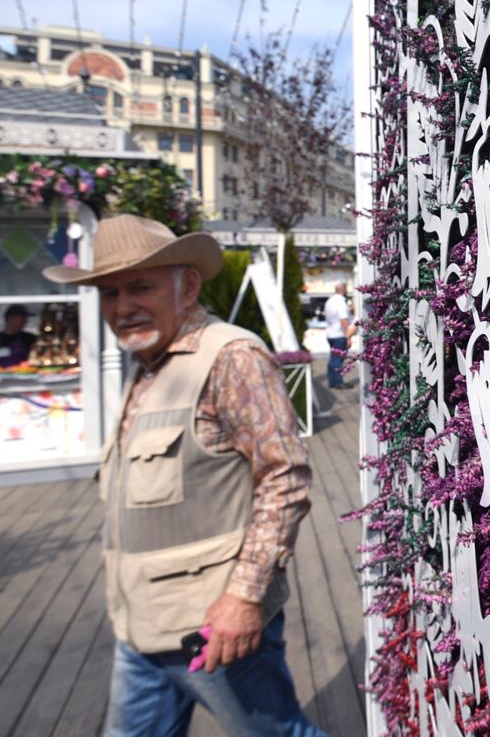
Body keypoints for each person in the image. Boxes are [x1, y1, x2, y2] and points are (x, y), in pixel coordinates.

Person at [44, 214, 325, 737]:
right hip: (141, 629)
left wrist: (243, 598)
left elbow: (284, 477)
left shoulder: (230, 357)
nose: (123, 307)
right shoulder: (150, 363)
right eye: (109, 293)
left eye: (140, 287)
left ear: (188, 285)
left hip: (212, 628)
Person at [323, 281, 354, 389]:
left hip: (331, 334)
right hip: (339, 334)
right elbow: (343, 320)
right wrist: (348, 336)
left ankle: (332, 381)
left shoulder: (330, 301)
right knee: (337, 360)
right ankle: (337, 382)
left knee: (333, 358)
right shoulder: (340, 302)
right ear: (343, 289)